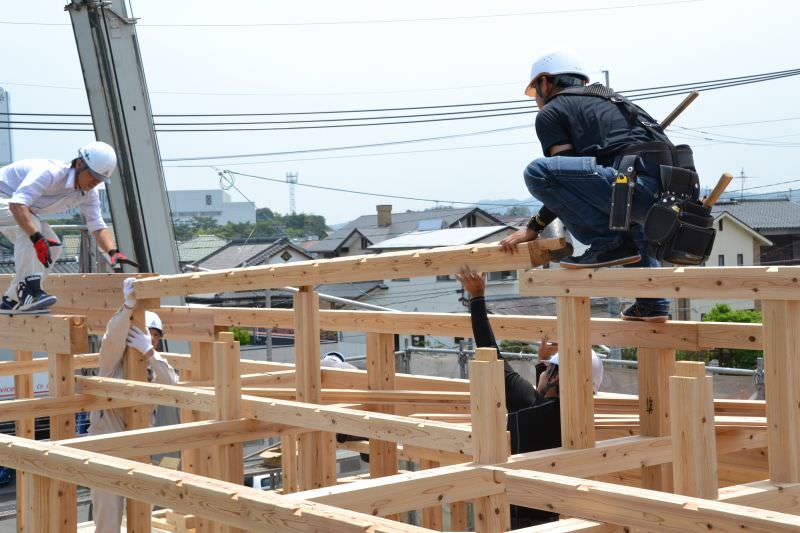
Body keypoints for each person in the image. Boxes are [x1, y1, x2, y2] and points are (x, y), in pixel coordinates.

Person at [499, 51, 697, 323]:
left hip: (637, 188)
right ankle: (652, 302)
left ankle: (608, 242)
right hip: (669, 198)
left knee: (538, 172)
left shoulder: (552, 112)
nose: (536, 99)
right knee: (621, 207)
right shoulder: (611, 102)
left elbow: (562, 179)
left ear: (545, 83)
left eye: (535, 90)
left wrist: (533, 227)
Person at [456, 265, 603, 528]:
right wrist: (543, 365)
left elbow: (490, 351)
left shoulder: (532, 408)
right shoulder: (580, 420)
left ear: (557, 378)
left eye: (549, 371)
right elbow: (546, 401)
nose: (544, 373)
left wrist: (477, 298)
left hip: (517, 520)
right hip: (558, 520)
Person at [88, 277, 178, 533]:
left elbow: (172, 382)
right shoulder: (111, 366)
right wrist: (127, 308)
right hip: (105, 450)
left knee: (142, 517)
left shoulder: (153, 366)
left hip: (138, 450)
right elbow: (111, 339)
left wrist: (150, 352)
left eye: (155, 337)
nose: (151, 339)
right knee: (108, 517)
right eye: (144, 333)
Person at [0, 141, 134, 312]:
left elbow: (97, 226)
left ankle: (11, 301)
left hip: (15, 208)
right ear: (79, 164)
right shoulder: (50, 173)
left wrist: (112, 252)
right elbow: (17, 205)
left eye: (100, 179)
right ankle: (30, 292)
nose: (95, 182)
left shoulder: (88, 194)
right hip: (9, 201)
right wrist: (36, 238)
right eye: (93, 175)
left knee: (53, 246)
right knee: (33, 230)